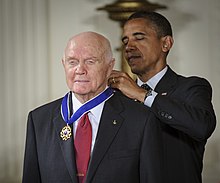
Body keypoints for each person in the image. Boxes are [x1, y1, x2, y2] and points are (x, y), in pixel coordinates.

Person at [22, 31, 163, 183]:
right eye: (72, 62)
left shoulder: (141, 119)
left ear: (109, 67)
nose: (80, 70)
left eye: (90, 61)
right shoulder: (39, 120)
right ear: (64, 65)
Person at [109, 11, 216, 183]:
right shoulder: (115, 96)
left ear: (166, 43)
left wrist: (142, 94)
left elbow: (202, 126)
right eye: (125, 40)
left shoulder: (191, 87)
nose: (128, 47)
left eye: (139, 37)